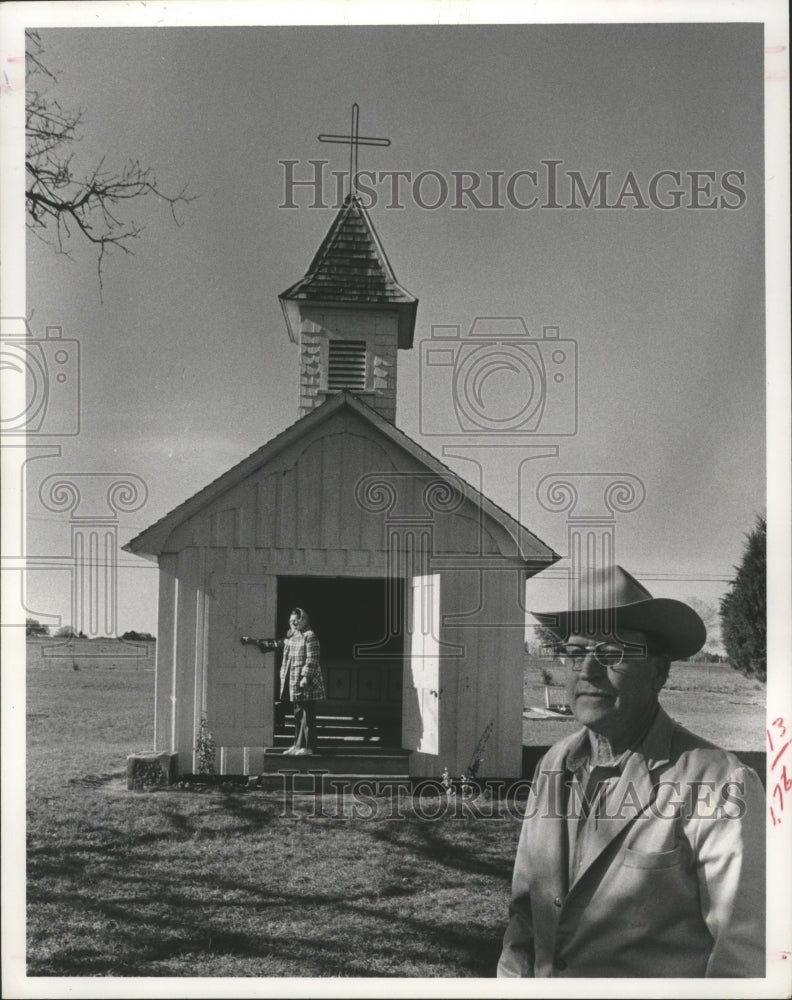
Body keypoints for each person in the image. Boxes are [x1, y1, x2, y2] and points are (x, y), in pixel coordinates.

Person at [498, 564, 765, 979]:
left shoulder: (718, 783)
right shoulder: (554, 765)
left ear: (659, 672)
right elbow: (525, 915)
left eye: (611, 654)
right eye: (574, 652)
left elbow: (744, 956)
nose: (586, 671)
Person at [250, 607, 325, 756]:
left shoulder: (310, 636)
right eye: (291, 621)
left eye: (297, 620)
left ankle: (309, 747)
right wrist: (253, 642)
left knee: (307, 716)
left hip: (307, 683)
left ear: (303, 619)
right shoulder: (291, 637)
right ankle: (297, 745)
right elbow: (276, 644)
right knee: (297, 714)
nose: (294, 623)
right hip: (294, 682)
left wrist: (306, 677)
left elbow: (312, 659)